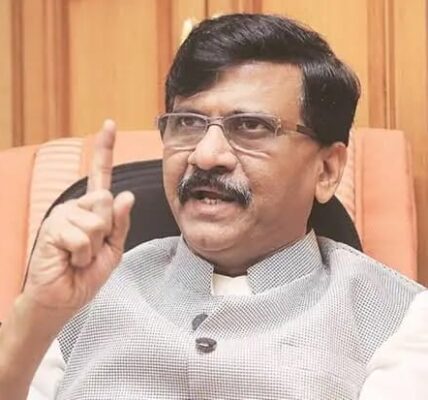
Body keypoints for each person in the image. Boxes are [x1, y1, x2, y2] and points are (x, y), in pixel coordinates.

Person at [0, 13, 424, 400]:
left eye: (250, 126)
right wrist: (37, 313)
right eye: (188, 123)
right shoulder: (79, 299)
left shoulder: (398, 320)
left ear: (327, 170)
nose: (205, 155)